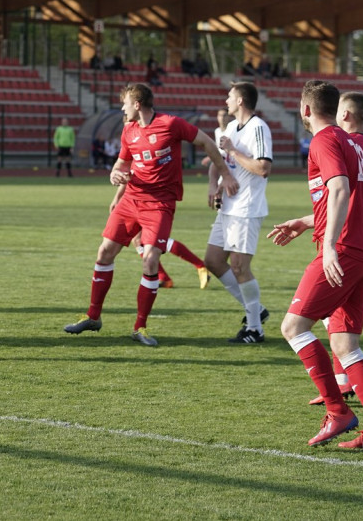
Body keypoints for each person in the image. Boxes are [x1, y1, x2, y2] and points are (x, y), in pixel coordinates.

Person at [266, 80, 363, 449]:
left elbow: (339, 189)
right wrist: (306, 222)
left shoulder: (323, 140)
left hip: (344, 249)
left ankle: (338, 411)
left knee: (293, 327)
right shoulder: (349, 141)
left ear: (306, 110)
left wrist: (328, 247)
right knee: (345, 345)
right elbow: (346, 197)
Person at [63, 83, 238, 347]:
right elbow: (122, 164)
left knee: (150, 259)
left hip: (159, 204)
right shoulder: (128, 130)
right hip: (131, 199)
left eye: (124, 103)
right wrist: (114, 176)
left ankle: (140, 327)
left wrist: (224, 174)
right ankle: (93, 316)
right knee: (104, 252)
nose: (122, 108)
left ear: (136, 103)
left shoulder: (171, 124)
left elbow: (205, 142)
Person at [305, 91, 363, 405]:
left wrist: (329, 239)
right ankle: (343, 383)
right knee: (337, 315)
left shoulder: (345, 143)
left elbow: (341, 193)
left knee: (322, 314)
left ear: (345, 114)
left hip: (353, 237)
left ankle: (340, 387)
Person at [205, 83, 273, 343]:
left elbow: (263, 168)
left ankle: (255, 328)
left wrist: (233, 150)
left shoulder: (258, 128)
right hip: (229, 207)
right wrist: (216, 184)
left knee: (240, 267)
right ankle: (257, 309)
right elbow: (218, 160)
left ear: (241, 100)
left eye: (230, 96)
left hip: (246, 208)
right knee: (212, 260)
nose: (226, 100)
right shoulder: (232, 127)